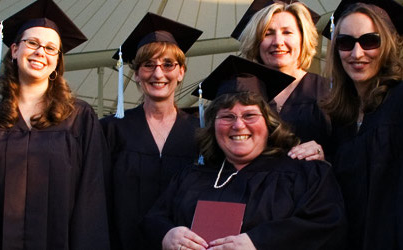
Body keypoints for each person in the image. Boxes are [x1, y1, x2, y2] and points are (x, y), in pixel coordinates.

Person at [143, 57, 346, 250]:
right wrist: (167, 235)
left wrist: (260, 242)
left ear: (269, 122)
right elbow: (154, 218)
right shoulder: (190, 177)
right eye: (227, 116)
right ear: (213, 125)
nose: (238, 125)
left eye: (249, 115)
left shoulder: (304, 174)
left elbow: (327, 225)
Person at [0, 0, 109, 249]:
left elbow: (91, 198)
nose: (41, 52)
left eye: (51, 48)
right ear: (15, 50)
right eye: (33, 43)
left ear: (56, 63)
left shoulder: (79, 118)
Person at [100, 12, 202, 250]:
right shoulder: (110, 130)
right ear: (136, 73)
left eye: (168, 64)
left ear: (181, 72)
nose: (158, 73)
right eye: (148, 65)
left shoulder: (200, 133)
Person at [322, 1, 403, 249]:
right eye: (346, 43)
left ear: (388, 44)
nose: (357, 54)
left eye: (370, 41)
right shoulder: (341, 119)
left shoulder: (400, 101)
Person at [235, 1, 330, 161]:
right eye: (268, 33)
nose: (278, 41)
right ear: (256, 42)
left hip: (314, 182)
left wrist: (324, 156)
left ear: (302, 38)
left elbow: (348, 151)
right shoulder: (242, 95)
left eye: (287, 32)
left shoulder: (327, 90)